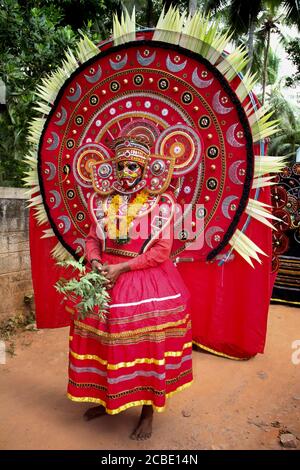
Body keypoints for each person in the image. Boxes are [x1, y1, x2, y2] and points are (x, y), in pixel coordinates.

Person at [67, 137, 193, 440]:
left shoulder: (162, 204)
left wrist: (122, 267)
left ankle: (148, 412)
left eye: (133, 166)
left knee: (146, 343)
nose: (126, 172)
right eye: (121, 165)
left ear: (147, 168)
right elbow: (92, 239)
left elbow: (161, 251)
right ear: (112, 167)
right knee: (100, 339)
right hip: (104, 276)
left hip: (144, 278)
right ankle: (106, 399)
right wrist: (95, 262)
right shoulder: (102, 202)